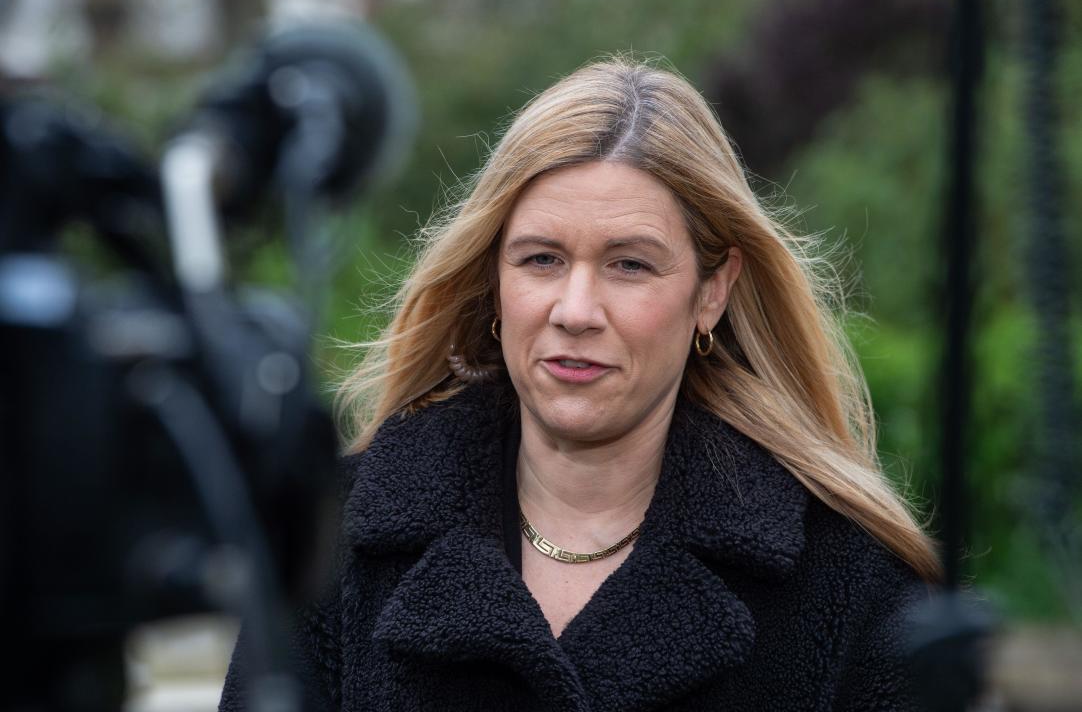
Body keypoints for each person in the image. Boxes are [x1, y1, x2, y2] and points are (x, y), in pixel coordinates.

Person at [221, 55, 943, 711]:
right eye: (541, 259)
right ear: (492, 277)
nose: (574, 311)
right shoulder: (334, 541)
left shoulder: (847, 578)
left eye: (630, 264)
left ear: (712, 291)